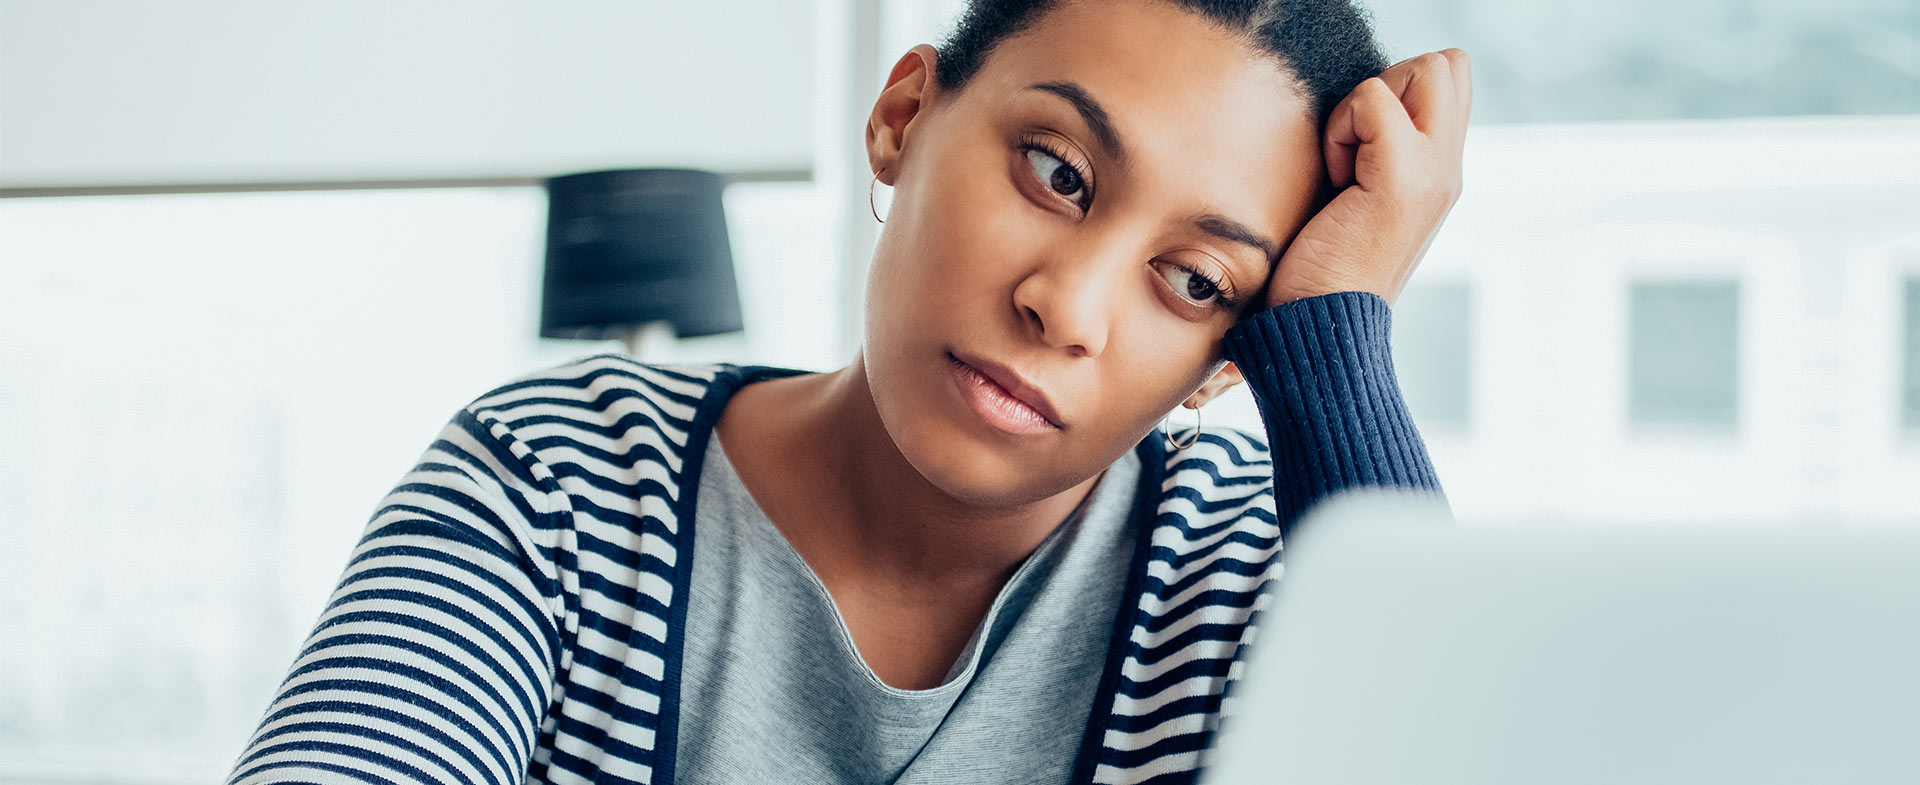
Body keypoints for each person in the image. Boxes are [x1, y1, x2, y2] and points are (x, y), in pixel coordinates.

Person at [224, 0, 1469, 782]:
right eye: (1055, 170)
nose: (1067, 306)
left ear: (1235, 350)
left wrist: (1339, 332)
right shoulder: (558, 479)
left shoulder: (1264, 579)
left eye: (1196, 280)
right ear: (904, 115)